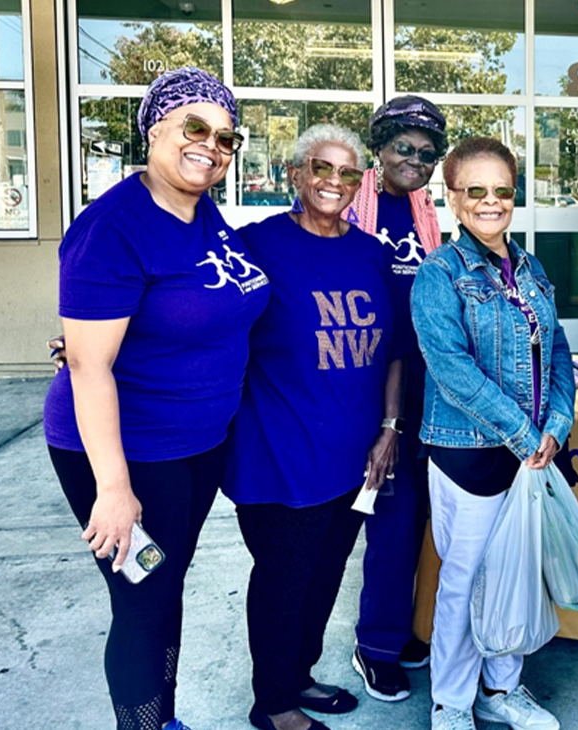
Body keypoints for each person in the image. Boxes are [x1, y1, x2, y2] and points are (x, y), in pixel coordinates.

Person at [43, 67, 267, 730]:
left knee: (164, 585)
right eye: (195, 127)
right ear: (154, 130)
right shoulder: (113, 227)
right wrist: (113, 489)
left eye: (226, 137)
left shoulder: (202, 212)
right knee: (143, 599)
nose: (211, 146)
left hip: (197, 445)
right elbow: (89, 367)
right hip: (129, 452)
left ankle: (163, 720)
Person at [222, 125, 407, 730]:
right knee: (284, 580)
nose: (334, 181)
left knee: (325, 576)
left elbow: (395, 350)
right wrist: (103, 339)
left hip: (354, 456)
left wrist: (389, 428)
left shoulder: (370, 253)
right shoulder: (256, 244)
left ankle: (297, 675)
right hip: (278, 452)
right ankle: (273, 703)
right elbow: (195, 301)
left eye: (348, 173)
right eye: (321, 168)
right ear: (295, 174)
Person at [411, 137, 575, 730]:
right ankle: (452, 702)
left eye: (502, 190)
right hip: (469, 452)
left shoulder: (530, 268)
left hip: (529, 452)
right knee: (465, 579)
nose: (490, 202)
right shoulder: (439, 275)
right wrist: (524, 434)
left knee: (515, 573)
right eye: (475, 190)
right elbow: (452, 371)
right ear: (453, 199)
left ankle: (501, 690)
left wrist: (556, 424)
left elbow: (557, 349)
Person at [342, 95, 448, 702]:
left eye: (427, 154)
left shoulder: (424, 212)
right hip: (370, 383)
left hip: (423, 380)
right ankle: (376, 645)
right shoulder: (349, 202)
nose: (414, 160)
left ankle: (407, 627)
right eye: (403, 147)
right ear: (379, 148)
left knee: (425, 519)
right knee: (393, 517)